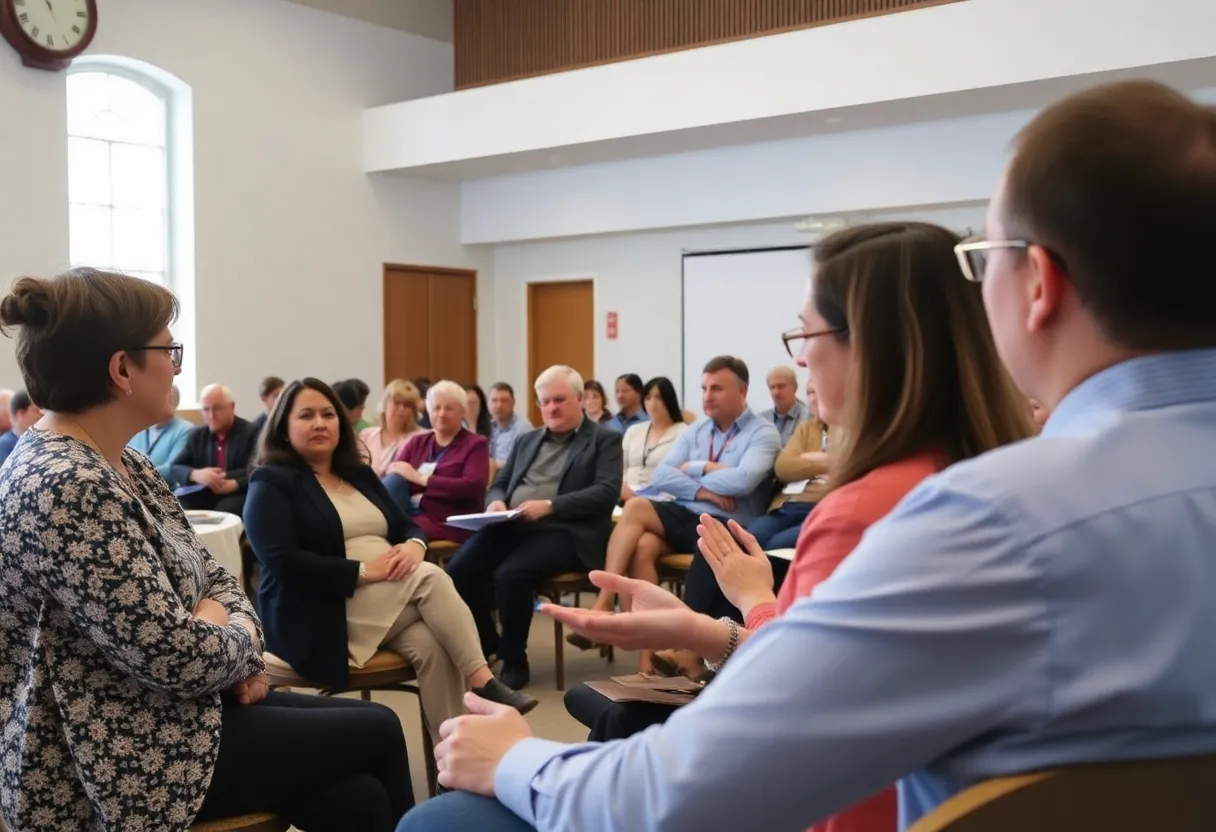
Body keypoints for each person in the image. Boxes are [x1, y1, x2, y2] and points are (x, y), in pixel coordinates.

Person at [396, 80, 1216, 832]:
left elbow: (685, 797)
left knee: (444, 822)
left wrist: (516, 757)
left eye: (985, 261)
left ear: (1039, 283)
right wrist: (731, 630)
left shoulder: (995, 520)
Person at [0, 268, 413, 832]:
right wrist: (229, 648)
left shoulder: (124, 461)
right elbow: (178, 656)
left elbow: (219, 581)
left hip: (169, 711)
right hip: (112, 753)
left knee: (357, 796)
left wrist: (212, 634)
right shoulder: (65, 482)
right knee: (378, 730)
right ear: (121, 369)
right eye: (169, 348)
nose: (177, 364)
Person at [244, 379, 535, 752]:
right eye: (306, 415)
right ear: (283, 427)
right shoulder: (272, 481)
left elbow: (405, 524)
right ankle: (483, 681)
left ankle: (452, 758)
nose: (320, 423)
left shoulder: (359, 474)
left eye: (328, 414)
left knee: (433, 643)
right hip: (321, 609)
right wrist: (364, 572)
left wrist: (415, 545)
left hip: (387, 600)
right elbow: (281, 562)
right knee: (431, 577)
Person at [589, 356, 780, 662]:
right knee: (642, 540)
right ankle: (648, 659)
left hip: (727, 525)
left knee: (640, 519)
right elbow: (663, 474)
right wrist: (706, 483)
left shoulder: (762, 432)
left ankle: (666, 642)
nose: (707, 396)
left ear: (742, 391)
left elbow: (743, 480)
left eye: (716, 388)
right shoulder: (697, 430)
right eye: (704, 388)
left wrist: (690, 468)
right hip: (688, 513)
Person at [445, 365, 622, 690]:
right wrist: (496, 501)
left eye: (559, 399)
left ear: (580, 399)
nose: (552, 408)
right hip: (511, 523)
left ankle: (514, 660)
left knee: (510, 575)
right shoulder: (528, 440)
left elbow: (606, 492)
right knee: (458, 570)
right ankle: (490, 644)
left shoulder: (604, 440)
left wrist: (551, 506)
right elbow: (499, 482)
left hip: (566, 532)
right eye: (545, 402)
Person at [383, 380, 490, 544]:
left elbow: (472, 488)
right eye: (436, 408)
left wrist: (420, 479)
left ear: (462, 412)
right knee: (394, 481)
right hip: (410, 511)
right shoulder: (417, 442)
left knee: (395, 530)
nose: (441, 414)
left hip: (448, 519)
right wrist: (439, 486)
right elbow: (396, 472)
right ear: (428, 410)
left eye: (449, 408)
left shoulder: (475, 444)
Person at [169, 383, 260, 516]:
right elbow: (175, 467)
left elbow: (259, 468)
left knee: (226, 510)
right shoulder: (197, 435)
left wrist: (236, 483)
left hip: (237, 492)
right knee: (178, 506)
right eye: (206, 409)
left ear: (232, 407)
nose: (211, 415)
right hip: (204, 491)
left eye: (217, 408)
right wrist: (195, 474)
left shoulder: (252, 432)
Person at [618, 376, 688, 502]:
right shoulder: (634, 431)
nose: (652, 404)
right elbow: (619, 466)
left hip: (662, 500)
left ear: (669, 400)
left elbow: (683, 476)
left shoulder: (684, 433)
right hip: (625, 497)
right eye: (648, 398)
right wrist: (621, 486)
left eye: (659, 398)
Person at [361, 379, 427, 477]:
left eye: (407, 405)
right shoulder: (366, 435)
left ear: (414, 411)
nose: (401, 409)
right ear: (385, 404)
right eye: (397, 403)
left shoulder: (423, 437)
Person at [128, 384, 193, 479]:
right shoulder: (138, 427)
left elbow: (172, 469)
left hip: (162, 488)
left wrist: (141, 474)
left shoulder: (185, 430)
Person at [758, 365, 808, 445]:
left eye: (781, 386)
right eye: (772, 387)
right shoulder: (761, 420)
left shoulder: (809, 418)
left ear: (795, 387)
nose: (776, 392)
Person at [487, 381, 532, 467]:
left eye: (504, 401)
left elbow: (525, 464)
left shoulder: (524, 430)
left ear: (513, 402)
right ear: (488, 403)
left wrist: (492, 466)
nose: (499, 405)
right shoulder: (486, 428)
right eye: (494, 400)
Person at [0, 388, 42, 466]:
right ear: (21, 413)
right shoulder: (5, 445)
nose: (41, 413)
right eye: (36, 410)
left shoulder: (38, 440)